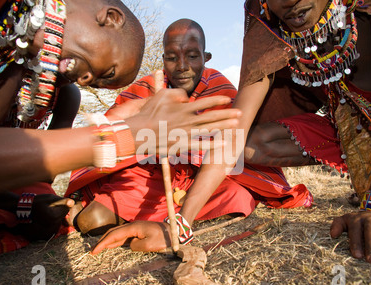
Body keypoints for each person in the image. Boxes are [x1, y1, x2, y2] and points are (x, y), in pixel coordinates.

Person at [0, 1, 242, 263]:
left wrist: (24, 204)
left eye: (100, 82)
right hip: (140, 177)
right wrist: (121, 134)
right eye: (107, 73)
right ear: (110, 18)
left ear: (205, 57)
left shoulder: (60, 89)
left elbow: (231, 150)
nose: (84, 81)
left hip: (194, 183)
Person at [79, 19, 312, 254]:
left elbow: (232, 145)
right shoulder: (149, 88)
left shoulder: (220, 89)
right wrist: (150, 121)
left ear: (205, 57)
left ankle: (173, 219)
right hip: (151, 176)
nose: (181, 66)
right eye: (171, 57)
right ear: (163, 60)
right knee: (91, 221)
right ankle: (141, 218)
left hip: (202, 180)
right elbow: (106, 135)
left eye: (192, 56)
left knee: (238, 197)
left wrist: (191, 150)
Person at [237, 0, 371, 264]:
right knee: (250, 146)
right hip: (347, 128)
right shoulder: (268, 22)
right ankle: (365, 172)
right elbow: (235, 132)